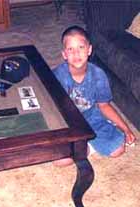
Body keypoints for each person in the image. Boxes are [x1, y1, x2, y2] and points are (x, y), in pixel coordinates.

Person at [53, 25, 136, 166]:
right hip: (68, 122)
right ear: (64, 55)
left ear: (89, 50)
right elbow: (54, 108)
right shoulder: (57, 75)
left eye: (81, 47)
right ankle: (86, 147)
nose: (76, 53)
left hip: (93, 119)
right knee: (59, 161)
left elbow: (104, 105)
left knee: (118, 149)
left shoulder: (98, 75)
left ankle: (89, 146)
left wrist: (125, 128)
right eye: (70, 49)